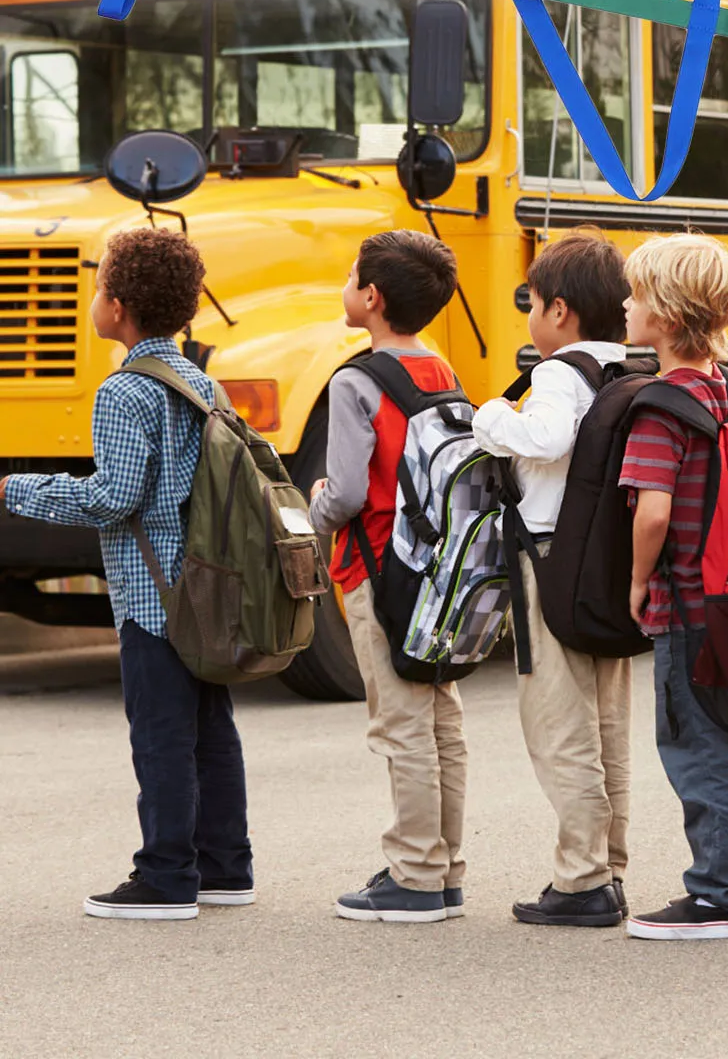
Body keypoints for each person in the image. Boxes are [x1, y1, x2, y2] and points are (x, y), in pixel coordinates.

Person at [1, 228, 251, 921]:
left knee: (160, 734)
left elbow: (114, 497)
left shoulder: (123, 391)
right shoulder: (203, 382)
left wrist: (16, 492)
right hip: (208, 584)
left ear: (119, 306)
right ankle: (227, 866)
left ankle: (167, 875)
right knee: (211, 727)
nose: (93, 296)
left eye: (99, 283)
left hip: (152, 594)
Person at [472, 230, 632, 928]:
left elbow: (544, 439)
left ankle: (580, 879)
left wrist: (489, 418)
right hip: (608, 564)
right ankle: (609, 865)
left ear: (561, 312)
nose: (531, 319)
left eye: (532, 304)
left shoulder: (557, 373)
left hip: (550, 561)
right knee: (607, 724)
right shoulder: (627, 367)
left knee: (557, 723)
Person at [307, 229, 465, 924]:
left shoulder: (355, 380)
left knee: (400, 722)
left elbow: (343, 493)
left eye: (349, 278)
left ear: (370, 298)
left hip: (377, 566)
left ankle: (417, 875)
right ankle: (443, 863)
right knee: (441, 720)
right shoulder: (442, 371)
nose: (345, 287)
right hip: (437, 571)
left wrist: (312, 503)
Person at [617, 232, 728, 941]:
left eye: (637, 294)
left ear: (668, 318)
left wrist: (638, 582)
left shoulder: (658, 406)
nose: (625, 303)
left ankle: (718, 894)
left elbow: (653, 511)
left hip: (687, 604)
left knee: (695, 747)